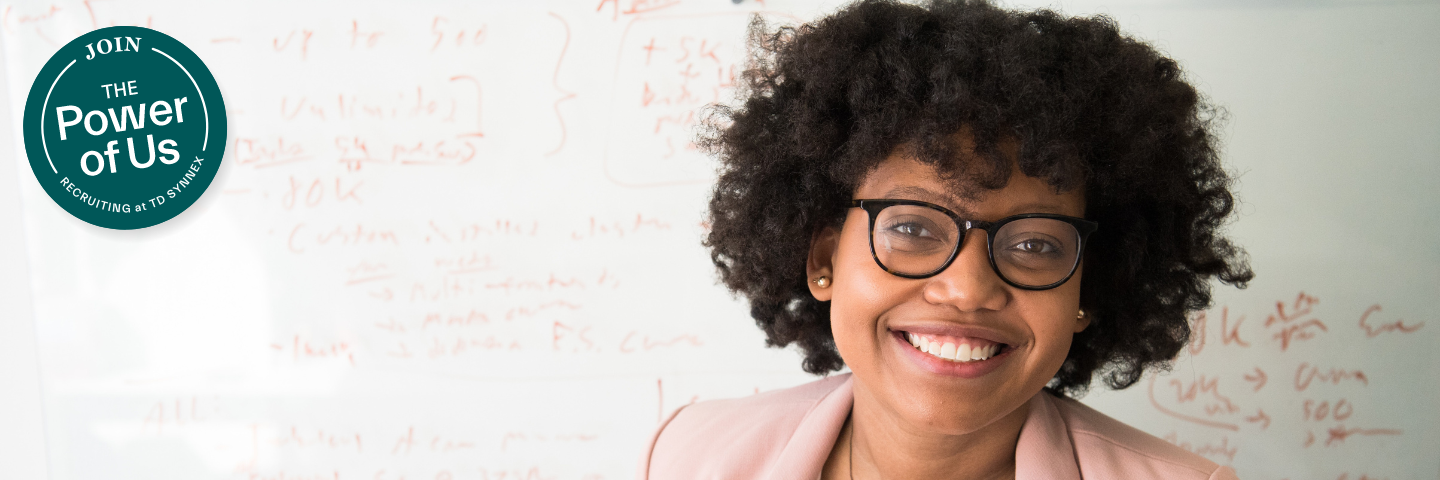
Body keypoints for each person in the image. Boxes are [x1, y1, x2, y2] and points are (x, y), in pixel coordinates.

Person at [637, 0, 1254, 478]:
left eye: (1036, 244)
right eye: (911, 227)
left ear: (1087, 287)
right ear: (824, 259)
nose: (967, 288)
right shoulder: (687, 456)